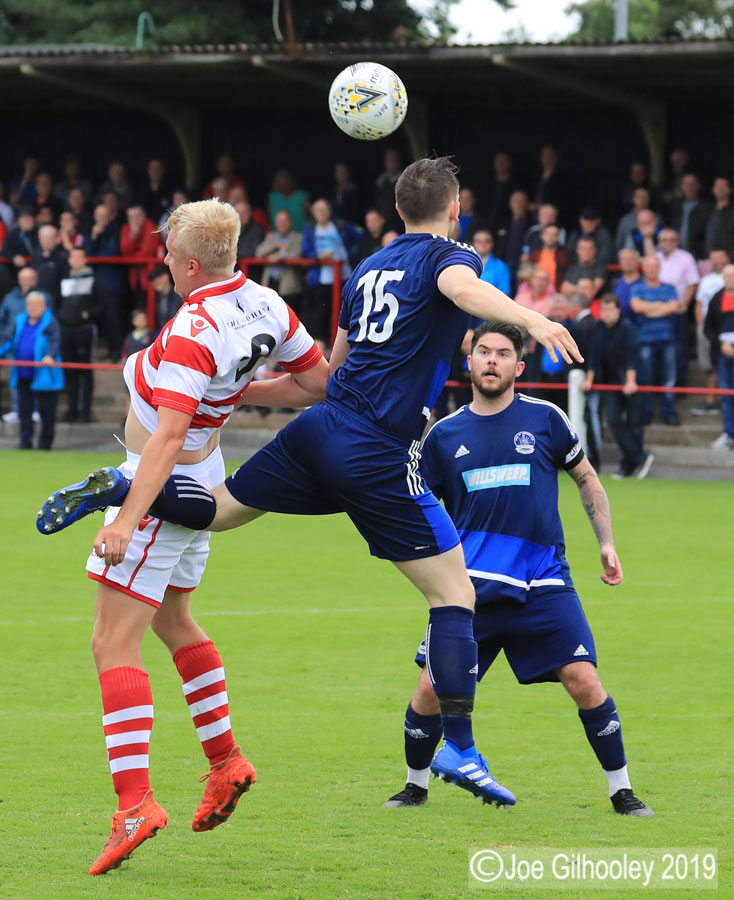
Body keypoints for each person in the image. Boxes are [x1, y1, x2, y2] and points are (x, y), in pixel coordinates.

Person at [39, 158, 581, 812]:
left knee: (213, 513)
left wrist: (230, 397)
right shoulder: (448, 257)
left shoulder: (366, 270)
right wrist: (534, 320)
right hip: (378, 453)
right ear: (455, 207)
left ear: (399, 208)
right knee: (456, 594)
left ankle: (118, 488)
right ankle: (458, 745)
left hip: (319, 431)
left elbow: (335, 371)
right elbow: (465, 290)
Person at [39, 197, 330, 877]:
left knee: (112, 641)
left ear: (190, 263)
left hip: (161, 481)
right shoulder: (264, 302)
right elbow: (316, 382)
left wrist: (125, 518)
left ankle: (135, 804)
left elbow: (168, 436)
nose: (162, 260)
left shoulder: (197, 327)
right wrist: (229, 395)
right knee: (176, 621)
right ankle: (226, 761)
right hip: (202, 474)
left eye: (167, 252)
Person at [382, 322, 651, 816]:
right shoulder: (443, 435)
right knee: (429, 690)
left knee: (585, 680)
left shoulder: (546, 419)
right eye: (483, 351)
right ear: (470, 362)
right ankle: (414, 786)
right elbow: (414, 506)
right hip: (468, 591)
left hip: (543, 582)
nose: (491, 360)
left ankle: (622, 790)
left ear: (518, 367)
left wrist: (607, 543)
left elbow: (587, 479)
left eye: (502, 353)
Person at [584, 295, 653, 479]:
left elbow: (632, 355)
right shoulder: (597, 328)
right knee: (614, 421)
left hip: (633, 381)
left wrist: (630, 381)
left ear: (618, 310)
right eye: (603, 310)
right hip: (610, 382)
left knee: (634, 424)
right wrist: (589, 379)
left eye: (610, 310)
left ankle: (628, 465)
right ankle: (639, 458)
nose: (606, 314)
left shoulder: (627, 327)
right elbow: (593, 356)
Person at [0, 291, 64, 449]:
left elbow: (56, 342)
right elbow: (7, 339)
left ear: (44, 306)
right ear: (26, 306)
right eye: (31, 304)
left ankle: (45, 444)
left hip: (44, 374)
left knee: (47, 412)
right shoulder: (20, 320)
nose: (33, 308)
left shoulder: (50, 322)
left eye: (37, 305)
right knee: (24, 411)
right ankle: (25, 442)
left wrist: (51, 356)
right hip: (23, 373)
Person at [630, 255, 681, 426]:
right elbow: (637, 307)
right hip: (644, 340)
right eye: (648, 266)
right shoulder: (637, 287)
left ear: (659, 268)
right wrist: (663, 306)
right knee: (646, 377)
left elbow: (675, 307)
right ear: (643, 268)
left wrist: (649, 307)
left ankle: (669, 412)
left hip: (668, 339)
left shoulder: (670, 287)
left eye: (654, 266)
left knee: (669, 378)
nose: (651, 269)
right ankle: (647, 412)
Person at [57, 247, 103, 423]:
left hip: (84, 330)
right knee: (70, 371)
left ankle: (85, 412)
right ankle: (72, 410)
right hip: (66, 330)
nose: (76, 260)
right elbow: (57, 302)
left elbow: (101, 306)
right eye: (73, 257)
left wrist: (88, 314)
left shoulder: (93, 280)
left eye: (79, 256)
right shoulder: (64, 279)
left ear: (85, 259)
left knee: (85, 371)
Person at [656, 228, 699, 385]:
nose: (667, 243)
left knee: (679, 348)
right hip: (656, 313)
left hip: (677, 312)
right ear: (659, 242)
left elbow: (692, 283)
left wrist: (683, 306)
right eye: (664, 240)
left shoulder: (686, 258)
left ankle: (680, 383)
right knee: (659, 349)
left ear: (677, 241)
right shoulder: (656, 256)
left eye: (671, 239)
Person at [693, 248, 729, 415]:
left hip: (728, 331)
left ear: (727, 258)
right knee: (710, 365)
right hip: (711, 330)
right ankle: (711, 400)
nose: (717, 261)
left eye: (720, 257)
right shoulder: (706, 280)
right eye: (713, 258)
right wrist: (701, 325)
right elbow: (699, 303)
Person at [704, 264, 734, 449]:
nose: (730, 279)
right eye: (727, 276)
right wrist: (721, 344)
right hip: (723, 355)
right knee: (726, 394)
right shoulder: (717, 298)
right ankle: (729, 433)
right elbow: (708, 329)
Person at [255, 210, 303, 300]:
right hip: (270, 282)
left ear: (290, 222)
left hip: (288, 284)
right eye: (280, 221)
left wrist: (279, 257)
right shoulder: (271, 236)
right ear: (276, 223)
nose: (282, 224)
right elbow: (258, 253)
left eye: (285, 221)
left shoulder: (298, 237)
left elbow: (297, 254)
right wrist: (274, 246)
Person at [528, 223, 572, 290]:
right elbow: (527, 272)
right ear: (542, 236)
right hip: (535, 290)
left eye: (554, 235)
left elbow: (569, 275)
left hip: (556, 292)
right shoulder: (534, 253)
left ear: (558, 237)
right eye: (548, 234)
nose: (550, 237)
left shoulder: (564, 255)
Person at [473, 229, 510, 295]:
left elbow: (505, 293)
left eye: (486, 241)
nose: (483, 244)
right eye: (479, 241)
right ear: (474, 244)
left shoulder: (501, 266)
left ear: (492, 244)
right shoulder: (466, 264)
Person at [148, 264, 182, 332]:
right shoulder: (156, 299)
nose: (155, 281)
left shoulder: (180, 294)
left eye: (158, 277)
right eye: (153, 280)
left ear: (166, 276)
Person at [611, 248, 642, 319]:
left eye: (631, 259)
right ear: (620, 262)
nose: (628, 262)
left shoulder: (644, 283)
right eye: (624, 259)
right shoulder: (614, 283)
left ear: (638, 262)